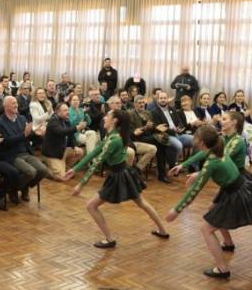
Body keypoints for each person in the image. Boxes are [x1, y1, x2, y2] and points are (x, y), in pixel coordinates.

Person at [166, 125, 252, 279]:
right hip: (246, 189)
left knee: (206, 229)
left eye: (196, 137)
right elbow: (201, 155)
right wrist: (183, 165)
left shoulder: (211, 163)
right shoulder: (220, 147)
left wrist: (176, 210)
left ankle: (222, 268)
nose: (195, 139)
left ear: (202, 142)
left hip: (237, 196)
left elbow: (194, 191)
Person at [64, 109, 169, 248]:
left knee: (91, 206)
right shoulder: (113, 136)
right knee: (142, 203)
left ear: (114, 120)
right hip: (125, 173)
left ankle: (110, 239)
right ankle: (162, 230)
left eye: (107, 115)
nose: (104, 117)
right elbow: (94, 152)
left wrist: (81, 185)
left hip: (118, 176)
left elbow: (97, 161)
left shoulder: (114, 139)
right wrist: (75, 169)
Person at [0, 97, 48, 203]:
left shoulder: (22, 118)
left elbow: (28, 136)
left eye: (16, 103)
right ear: (6, 106)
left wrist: (37, 134)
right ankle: (15, 190)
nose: (16, 105)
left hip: (25, 152)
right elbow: (5, 142)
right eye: (13, 103)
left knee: (43, 170)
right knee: (31, 172)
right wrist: (23, 135)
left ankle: (23, 187)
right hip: (11, 155)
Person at [129, 95, 169, 182]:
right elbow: (134, 133)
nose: (142, 105)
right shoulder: (131, 114)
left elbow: (152, 127)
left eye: (143, 102)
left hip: (148, 137)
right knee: (159, 141)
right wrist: (145, 127)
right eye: (139, 103)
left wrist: (157, 128)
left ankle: (162, 174)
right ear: (135, 104)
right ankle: (161, 174)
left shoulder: (148, 113)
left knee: (162, 141)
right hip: (137, 139)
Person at [41, 102, 85, 181]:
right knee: (62, 178)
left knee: (80, 152)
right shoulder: (53, 121)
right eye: (65, 110)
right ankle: (44, 169)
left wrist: (74, 146)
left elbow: (71, 135)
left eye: (67, 110)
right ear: (58, 112)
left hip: (62, 150)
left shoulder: (66, 120)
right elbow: (61, 132)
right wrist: (77, 128)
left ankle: (64, 167)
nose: (68, 112)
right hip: (53, 154)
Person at [151, 91, 193, 170]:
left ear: (167, 99)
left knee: (195, 140)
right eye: (161, 98)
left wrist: (180, 127)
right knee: (179, 146)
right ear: (158, 100)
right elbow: (160, 128)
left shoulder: (172, 109)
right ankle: (173, 165)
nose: (163, 100)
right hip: (167, 135)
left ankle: (193, 165)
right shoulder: (154, 112)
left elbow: (179, 121)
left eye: (165, 98)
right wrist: (174, 131)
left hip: (178, 134)